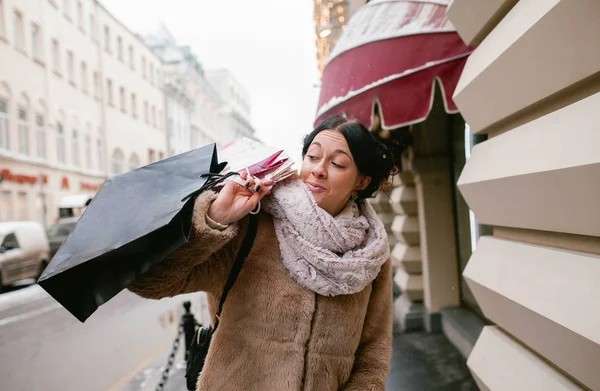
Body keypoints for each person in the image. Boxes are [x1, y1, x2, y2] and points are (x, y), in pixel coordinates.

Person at [129, 114, 396, 390]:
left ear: (361, 181)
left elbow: (373, 355)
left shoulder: (370, 253)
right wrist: (214, 219)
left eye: (337, 163)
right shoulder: (252, 225)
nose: (318, 170)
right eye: (313, 157)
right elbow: (150, 282)